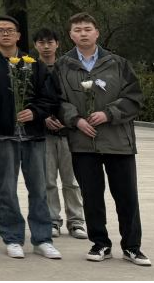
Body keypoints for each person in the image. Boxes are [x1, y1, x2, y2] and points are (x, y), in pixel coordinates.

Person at [54, 13, 148, 267]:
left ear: (97, 32)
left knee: (127, 197)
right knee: (92, 196)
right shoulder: (62, 66)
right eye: (77, 30)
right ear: (70, 35)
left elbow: (134, 97)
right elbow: (57, 101)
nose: (83, 33)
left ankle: (132, 247)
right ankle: (100, 243)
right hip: (83, 143)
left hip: (118, 142)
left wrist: (109, 113)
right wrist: (76, 120)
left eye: (87, 29)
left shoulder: (118, 63)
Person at [0, 16, 61, 260]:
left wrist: (35, 112)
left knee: (39, 189)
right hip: (2, 136)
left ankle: (42, 239)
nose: (5, 34)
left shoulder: (33, 64)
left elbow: (49, 98)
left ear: (18, 35)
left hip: (33, 136)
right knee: (6, 190)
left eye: (10, 30)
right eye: (0, 30)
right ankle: (12, 238)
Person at [33, 28, 87, 240]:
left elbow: (77, 98)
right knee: (48, 181)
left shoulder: (68, 67)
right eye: (41, 42)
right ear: (36, 45)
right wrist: (43, 117)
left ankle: (76, 221)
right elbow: (28, 100)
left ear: (57, 44)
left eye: (50, 42)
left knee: (71, 181)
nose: (46, 46)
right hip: (43, 133)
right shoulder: (30, 68)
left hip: (69, 132)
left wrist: (68, 119)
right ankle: (52, 220)